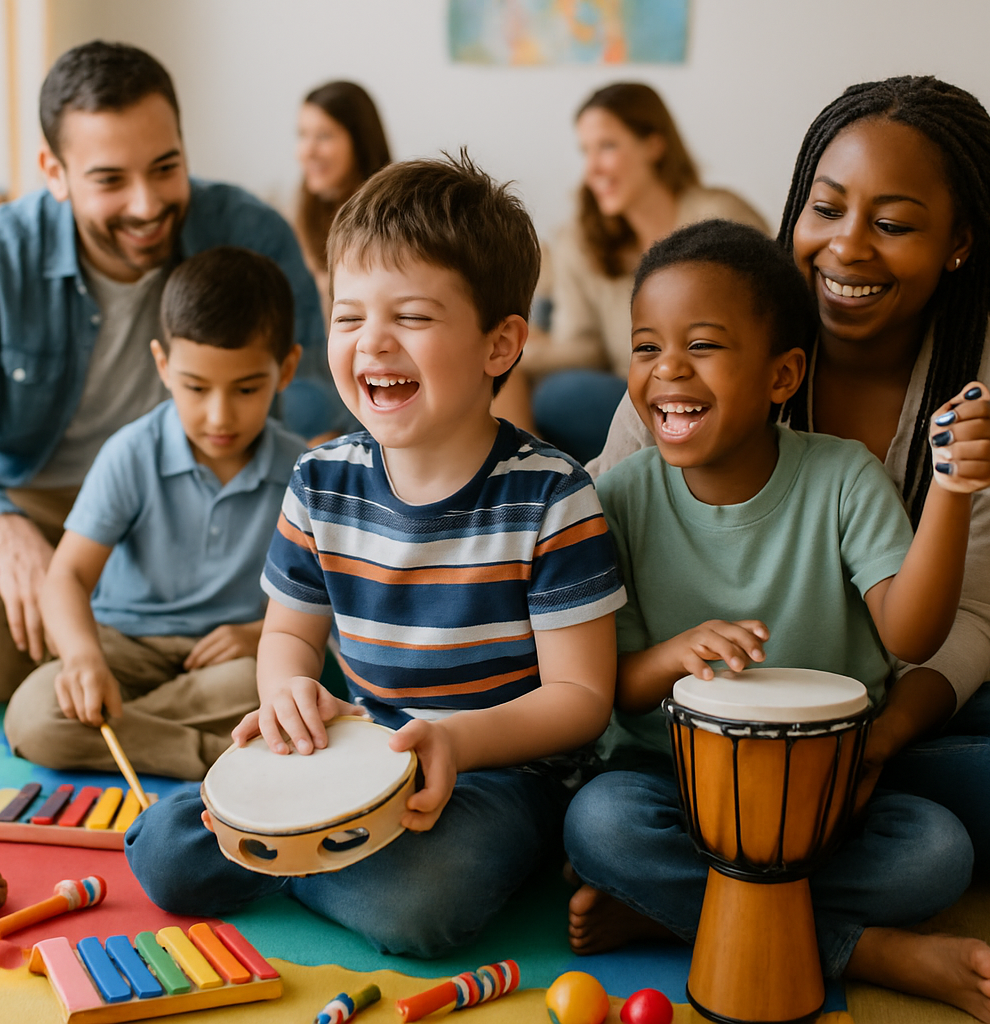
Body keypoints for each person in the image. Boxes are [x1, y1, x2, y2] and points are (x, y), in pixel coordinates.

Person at [124, 153, 626, 958]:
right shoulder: (322, 481)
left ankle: (292, 859)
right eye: (349, 316)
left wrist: (456, 742)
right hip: (357, 751)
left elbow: (579, 698)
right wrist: (287, 691)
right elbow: (289, 635)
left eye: (414, 318)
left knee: (421, 905)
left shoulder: (550, 498)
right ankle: (309, 853)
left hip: (496, 772)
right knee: (163, 851)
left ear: (500, 345)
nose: (372, 343)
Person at [564, 219, 990, 1024]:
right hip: (672, 783)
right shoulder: (619, 497)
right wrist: (677, 653)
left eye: (702, 345)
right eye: (645, 346)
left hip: (826, 792)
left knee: (937, 853)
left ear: (782, 375)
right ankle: (860, 948)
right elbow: (613, 691)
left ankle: (678, 910)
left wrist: (952, 490)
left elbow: (911, 637)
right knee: (599, 825)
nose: (667, 369)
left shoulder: (841, 477)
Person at [587, 75, 990, 886]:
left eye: (891, 224)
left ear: (959, 241)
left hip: (902, 698)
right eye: (826, 209)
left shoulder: (989, 387)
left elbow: (972, 616)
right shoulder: (706, 350)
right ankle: (836, 924)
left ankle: (695, 886)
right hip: (678, 736)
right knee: (603, 820)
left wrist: (873, 741)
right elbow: (590, 583)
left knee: (965, 818)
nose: (848, 247)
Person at [0, 40, 347, 706]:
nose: (148, 204)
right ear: (55, 171)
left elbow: (319, 393)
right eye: (109, 180)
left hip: (198, 492)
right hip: (35, 501)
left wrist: (309, 472)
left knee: (265, 665)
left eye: (165, 167)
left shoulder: (250, 233)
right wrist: (0, 526)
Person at [3, 248, 307, 780]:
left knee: (252, 686)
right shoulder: (132, 452)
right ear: (163, 366)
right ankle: (218, 759)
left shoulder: (302, 470)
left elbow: (325, 601)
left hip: (224, 660)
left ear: (285, 371)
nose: (219, 415)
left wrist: (259, 634)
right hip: (123, 643)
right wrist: (80, 658)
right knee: (33, 715)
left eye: (246, 388)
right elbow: (67, 576)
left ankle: (112, 729)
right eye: (195, 387)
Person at [521, 82, 768, 464]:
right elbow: (584, 346)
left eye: (607, 146)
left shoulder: (719, 214)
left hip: (705, 387)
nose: (592, 169)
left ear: (654, 144)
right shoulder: (581, 239)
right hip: (626, 385)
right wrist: (514, 351)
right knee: (552, 387)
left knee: (557, 395)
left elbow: (770, 317)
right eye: (585, 151)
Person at [294, 80, 391, 315]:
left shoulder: (390, 217)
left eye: (324, 136)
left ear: (360, 141)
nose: (307, 151)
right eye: (302, 134)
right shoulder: (305, 209)